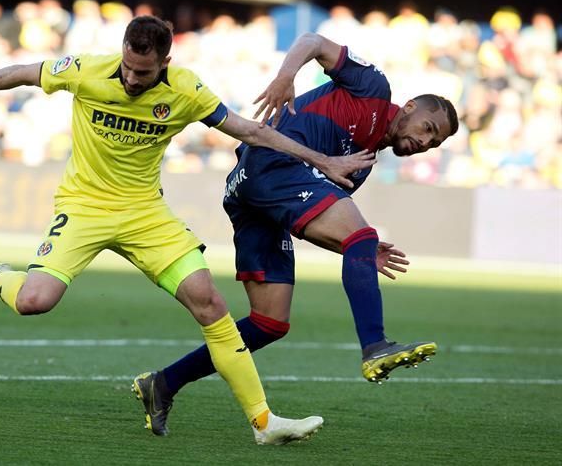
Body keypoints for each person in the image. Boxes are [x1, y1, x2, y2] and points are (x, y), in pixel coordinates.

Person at [0, 16, 374, 445]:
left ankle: (264, 423)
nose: (133, 79)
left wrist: (324, 162)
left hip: (145, 214)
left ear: (165, 62)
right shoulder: (86, 70)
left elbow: (251, 131)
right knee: (34, 301)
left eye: (145, 72)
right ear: (122, 51)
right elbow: (27, 71)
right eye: (129, 67)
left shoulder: (186, 90)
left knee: (210, 303)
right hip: (84, 208)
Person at [132, 31, 459, 437]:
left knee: (269, 322)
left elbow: (303, 218)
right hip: (272, 161)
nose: (425, 142)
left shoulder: (362, 162)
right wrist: (286, 77)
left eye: (434, 142)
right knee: (361, 235)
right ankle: (375, 345)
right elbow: (312, 40)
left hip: (252, 192)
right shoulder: (374, 89)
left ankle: (162, 384)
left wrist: (351, 247)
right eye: (427, 127)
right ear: (408, 107)